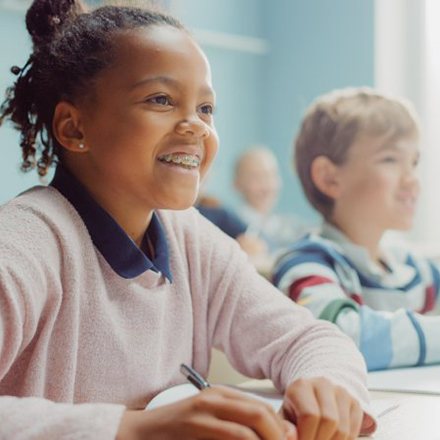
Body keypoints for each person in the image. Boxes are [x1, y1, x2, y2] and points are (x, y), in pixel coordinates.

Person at [0, 2, 376, 438]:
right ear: (74, 128)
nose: (196, 126)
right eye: (161, 99)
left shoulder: (189, 239)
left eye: (206, 109)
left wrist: (325, 384)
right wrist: (132, 430)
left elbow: (308, 339)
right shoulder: (26, 243)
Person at [273, 87, 440, 372]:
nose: (412, 180)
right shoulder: (306, 265)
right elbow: (339, 335)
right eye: (390, 160)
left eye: (413, 162)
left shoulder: (414, 270)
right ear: (329, 178)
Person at [234, 147, 309, 254]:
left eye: (271, 175)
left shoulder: (294, 228)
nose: (266, 185)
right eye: (256, 177)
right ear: (237, 183)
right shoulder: (230, 230)